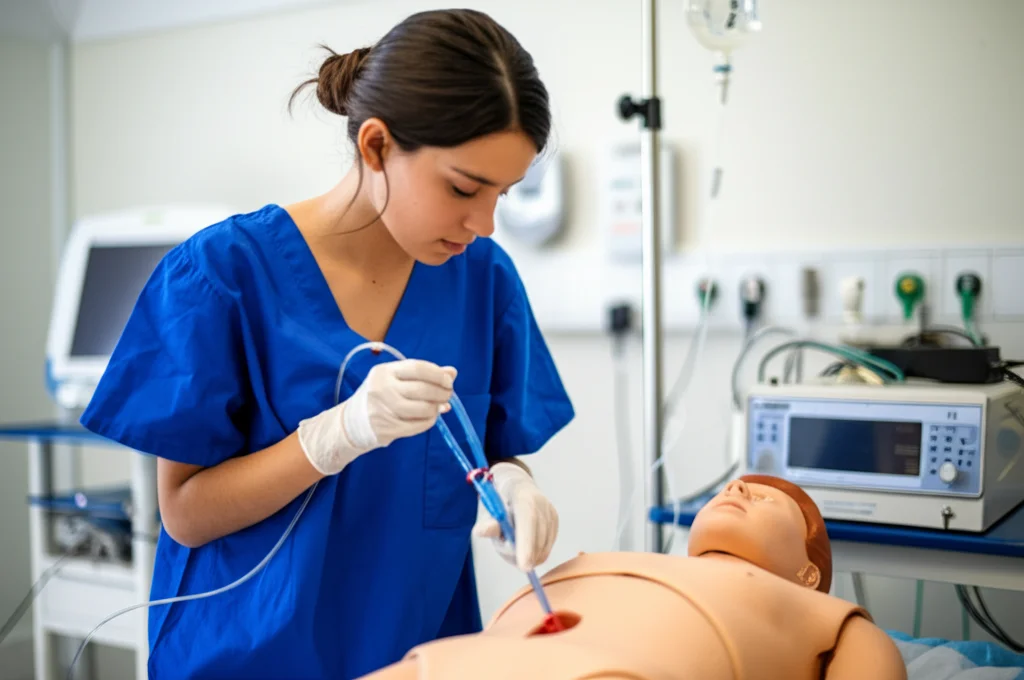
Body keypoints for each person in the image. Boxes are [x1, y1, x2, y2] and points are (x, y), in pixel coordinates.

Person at [78, 8, 574, 679]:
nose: (483, 224)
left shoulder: (482, 281)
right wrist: (333, 436)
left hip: (415, 658)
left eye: (504, 195)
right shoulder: (223, 275)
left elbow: (491, 447)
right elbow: (186, 514)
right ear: (375, 147)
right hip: (244, 659)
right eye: (463, 188)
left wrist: (515, 485)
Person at [358, 474, 908, 680]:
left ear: (809, 574)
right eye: (731, 488)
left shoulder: (827, 619)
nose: (736, 490)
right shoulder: (620, 562)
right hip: (452, 664)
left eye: (763, 497)